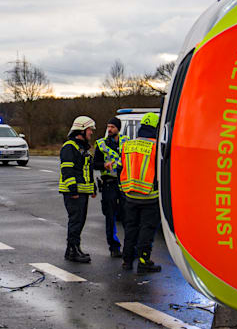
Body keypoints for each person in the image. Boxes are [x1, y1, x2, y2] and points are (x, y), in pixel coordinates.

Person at [119, 112, 162, 273]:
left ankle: (127, 261)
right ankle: (144, 261)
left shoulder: (128, 145)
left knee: (130, 229)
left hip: (130, 195)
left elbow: (121, 168)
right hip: (149, 196)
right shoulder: (156, 146)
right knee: (147, 229)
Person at [59, 116, 96, 263]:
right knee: (75, 221)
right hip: (74, 193)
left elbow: (87, 170)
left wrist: (92, 187)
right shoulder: (70, 147)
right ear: (81, 130)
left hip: (83, 191)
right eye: (89, 130)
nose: (91, 133)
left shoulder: (82, 148)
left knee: (80, 221)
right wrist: (73, 190)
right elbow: (67, 170)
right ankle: (72, 251)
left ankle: (74, 248)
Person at [93, 117, 129, 258]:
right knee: (110, 216)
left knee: (128, 217)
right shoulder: (101, 144)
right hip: (109, 183)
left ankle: (130, 247)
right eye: (108, 126)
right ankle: (114, 247)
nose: (109, 129)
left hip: (124, 183)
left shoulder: (126, 142)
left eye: (112, 127)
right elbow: (94, 164)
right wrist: (104, 165)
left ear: (118, 128)